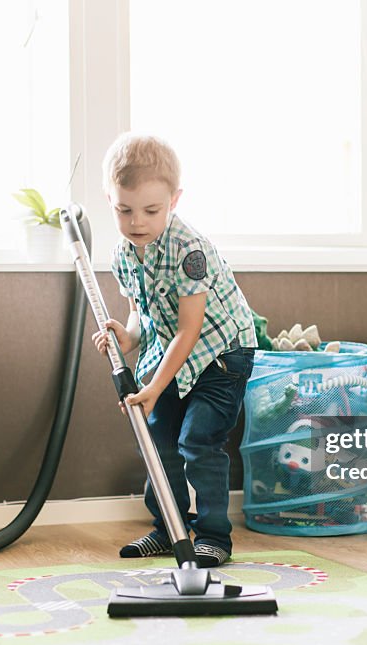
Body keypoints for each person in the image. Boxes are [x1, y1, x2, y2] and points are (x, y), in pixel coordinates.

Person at [93, 132, 257, 568]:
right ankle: (167, 529)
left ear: (175, 200)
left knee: (198, 442)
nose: (137, 221)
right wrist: (126, 339)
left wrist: (151, 387)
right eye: (123, 210)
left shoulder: (189, 251)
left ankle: (213, 538)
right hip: (171, 357)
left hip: (220, 358)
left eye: (151, 210)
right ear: (109, 198)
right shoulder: (124, 255)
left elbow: (189, 331)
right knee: (158, 443)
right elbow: (141, 316)